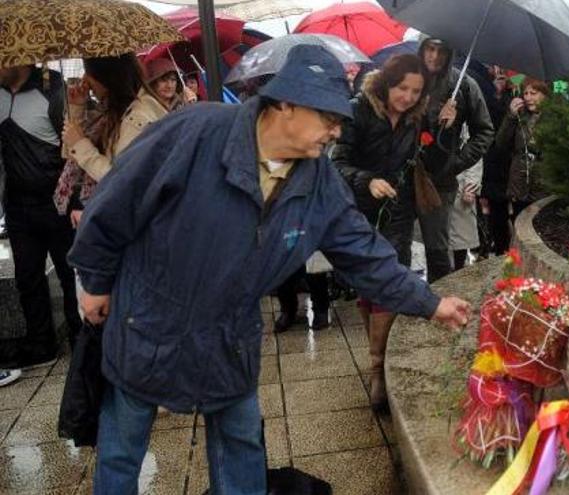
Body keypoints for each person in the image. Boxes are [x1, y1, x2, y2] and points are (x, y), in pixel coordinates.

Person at [68, 45, 470, 494]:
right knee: (123, 447)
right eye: (328, 119)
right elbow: (115, 201)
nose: (336, 132)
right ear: (287, 104)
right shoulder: (196, 130)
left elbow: (363, 251)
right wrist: (98, 283)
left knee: (241, 445)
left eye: (340, 121)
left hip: (230, 336)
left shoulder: (317, 180)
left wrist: (430, 303)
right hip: (148, 321)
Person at [332, 54, 431, 411]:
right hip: (359, 211)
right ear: (388, 82)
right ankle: (377, 361)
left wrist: (444, 130)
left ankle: (379, 370)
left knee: (390, 280)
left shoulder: (415, 118)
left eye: (415, 91)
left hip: (398, 213)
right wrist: (367, 180)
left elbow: (426, 162)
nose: (407, 96)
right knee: (369, 284)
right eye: (402, 87)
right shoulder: (358, 109)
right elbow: (335, 162)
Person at [0, 65, 81, 376]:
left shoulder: (52, 88)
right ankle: (41, 344)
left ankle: (80, 340)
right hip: (18, 206)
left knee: (68, 273)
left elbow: (72, 147)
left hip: (57, 202)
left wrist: (74, 200)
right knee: (27, 278)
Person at [56, 53, 168, 230]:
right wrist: (76, 108)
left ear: (106, 76)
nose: (85, 80)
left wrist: (80, 145)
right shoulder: (116, 111)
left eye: (89, 73)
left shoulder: (137, 118)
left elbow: (121, 181)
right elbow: (72, 156)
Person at [417, 38, 494, 282]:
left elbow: (484, 131)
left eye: (442, 50)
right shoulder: (406, 78)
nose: (435, 56)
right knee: (399, 247)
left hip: (440, 179)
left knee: (437, 249)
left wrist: (457, 162)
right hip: (404, 175)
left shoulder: (463, 85)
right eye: (430, 48)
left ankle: (437, 306)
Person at [496, 78, 550, 220]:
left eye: (533, 93)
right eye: (525, 93)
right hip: (519, 180)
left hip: (542, 181)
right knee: (518, 219)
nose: (528, 98)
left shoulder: (553, 118)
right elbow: (501, 143)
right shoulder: (519, 115)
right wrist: (511, 116)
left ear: (544, 95)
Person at [479, 66, 515, 255]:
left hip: (511, 158)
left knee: (516, 208)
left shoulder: (516, 94)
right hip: (492, 158)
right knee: (495, 205)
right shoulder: (485, 90)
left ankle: (512, 248)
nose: (501, 73)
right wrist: (494, 94)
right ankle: (499, 247)